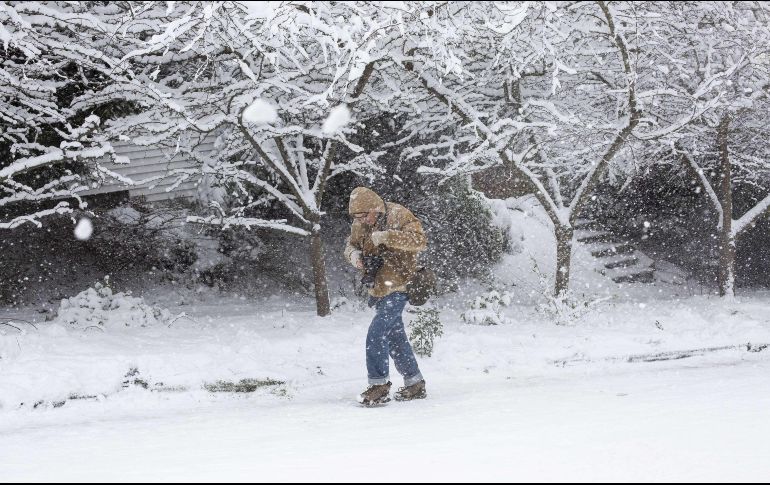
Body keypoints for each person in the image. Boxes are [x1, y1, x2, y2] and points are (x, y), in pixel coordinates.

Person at [344, 187, 428, 406]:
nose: (361, 221)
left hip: (401, 284)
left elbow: (419, 241)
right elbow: (350, 246)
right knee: (395, 337)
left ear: (375, 209)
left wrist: (387, 237)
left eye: (364, 216)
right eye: (356, 217)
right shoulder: (360, 224)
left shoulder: (398, 214)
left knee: (377, 332)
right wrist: (356, 258)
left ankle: (379, 385)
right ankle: (415, 382)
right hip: (378, 287)